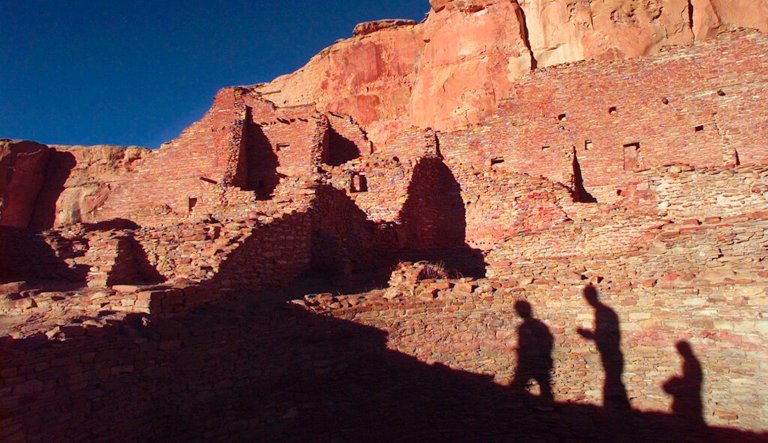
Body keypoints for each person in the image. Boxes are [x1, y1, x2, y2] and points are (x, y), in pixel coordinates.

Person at [577, 285, 631, 410]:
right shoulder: (603, 311)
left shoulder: (604, 312)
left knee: (612, 381)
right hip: (608, 352)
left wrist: (589, 335)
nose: (587, 299)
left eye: (588, 296)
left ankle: (617, 414)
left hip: (610, 353)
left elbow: (611, 335)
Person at [511, 300, 554, 409]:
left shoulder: (531, 326)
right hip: (534, 358)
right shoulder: (533, 326)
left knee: (539, 383)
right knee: (543, 384)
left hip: (532, 359)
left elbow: (547, 341)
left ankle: (516, 407)